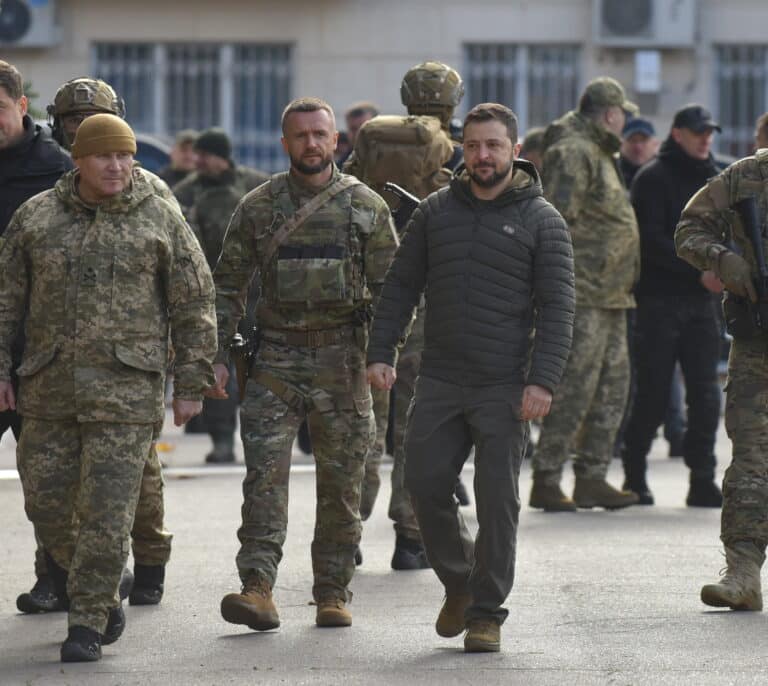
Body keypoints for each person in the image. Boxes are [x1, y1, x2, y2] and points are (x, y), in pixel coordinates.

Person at [0, 114, 217, 661]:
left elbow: (194, 302)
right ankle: (98, 590)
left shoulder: (160, 218)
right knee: (45, 505)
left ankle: (89, 621)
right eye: (104, 156)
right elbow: (5, 302)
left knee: (107, 513)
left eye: (125, 156)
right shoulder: (36, 218)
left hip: (127, 392)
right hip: (47, 388)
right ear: (79, 159)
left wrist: (191, 381)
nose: (117, 166)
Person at [368, 102, 575, 652]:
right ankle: (460, 580)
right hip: (439, 379)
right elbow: (400, 287)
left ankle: (486, 612)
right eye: (474, 146)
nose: (483, 156)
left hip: (505, 385)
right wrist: (381, 351)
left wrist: (542, 381)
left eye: (494, 146)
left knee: (496, 500)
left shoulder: (542, 220)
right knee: (424, 485)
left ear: (514, 151)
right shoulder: (436, 211)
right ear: (463, 149)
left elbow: (558, 308)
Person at [211, 97, 398, 631]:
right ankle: (257, 587)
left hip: (345, 361)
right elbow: (227, 287)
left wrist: (385, 356)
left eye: (321, 134)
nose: (311, 144)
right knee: (263, 480)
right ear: (284, 143)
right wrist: (217, 358)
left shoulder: (366, 207)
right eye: (300, 135)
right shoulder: (257, 206)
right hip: (275, 360)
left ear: (337, 141)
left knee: (342, 484)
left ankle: (333, 592)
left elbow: (393, 290)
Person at [15, 76, 184, 612]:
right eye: (72, 122)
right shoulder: (42, 193)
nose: (80, 130)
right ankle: (59, 575)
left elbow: (186, 283)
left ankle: (144, 562)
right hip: (43, 362)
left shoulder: (148, 194)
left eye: (94, 121)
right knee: (48, 484)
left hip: (123, 374)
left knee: (132, 489)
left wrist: (188, 368)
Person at [344, 60, 466, 569]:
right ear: (452, 101)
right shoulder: (456, 154)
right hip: (430, 303)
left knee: (363, 420)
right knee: (417, 424)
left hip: (372, 296)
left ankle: (346, 532)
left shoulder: (371, 148)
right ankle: (410, 538)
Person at [530, 77, 640, 512]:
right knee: (575, 388)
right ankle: (547, 476)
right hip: (584, 294)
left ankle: (592, 476)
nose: (625, 122)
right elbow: (555, 223)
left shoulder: (598, 151)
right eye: (623, 115)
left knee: (613, 387)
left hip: (611, 293)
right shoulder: (574, 151)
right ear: (611, 114)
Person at [675, 147, 768, 611]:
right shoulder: (744, 177)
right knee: (751, 459)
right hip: (758, 341)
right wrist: (722, 259)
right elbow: (688, 230)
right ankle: (743, 572)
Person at [622, 105, 724, 507]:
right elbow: (649, 241)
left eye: (710, 132)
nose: (706, 139)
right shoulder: (653, 178)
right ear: (677, 134)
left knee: (706, 394)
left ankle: (702, 477)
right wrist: (698, 270)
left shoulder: (715, 178)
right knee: (653, 392)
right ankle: (634, 473)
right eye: (698, 132)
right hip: (659, 301)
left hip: (701, 305)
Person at [0, 60, 73, 613]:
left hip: (40, 350)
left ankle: (61, 577)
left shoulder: (59, 171)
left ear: (22, 107)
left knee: (47, 478)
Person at [173, 127, 268, 463]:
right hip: (213, 296)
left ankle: (261, 442)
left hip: (259, 297)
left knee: (261, 373)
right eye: (196, 154)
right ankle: (223, 441)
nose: (197, 160)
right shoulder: (186, 192)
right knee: (218, 368)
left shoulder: (256, 185)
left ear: (221, 156)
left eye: (204, 154)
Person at [336, 100, 379, 167]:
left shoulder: (392, 158)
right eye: (353, 129)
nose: (359, 133)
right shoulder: (342, 166)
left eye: (364, 127)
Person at [619, 117, 658, 187]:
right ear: (621, 144)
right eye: (632, 140)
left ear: (655, 144)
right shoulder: (613, 172)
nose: (638, 147)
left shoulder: (665, 174)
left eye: (643, 140)